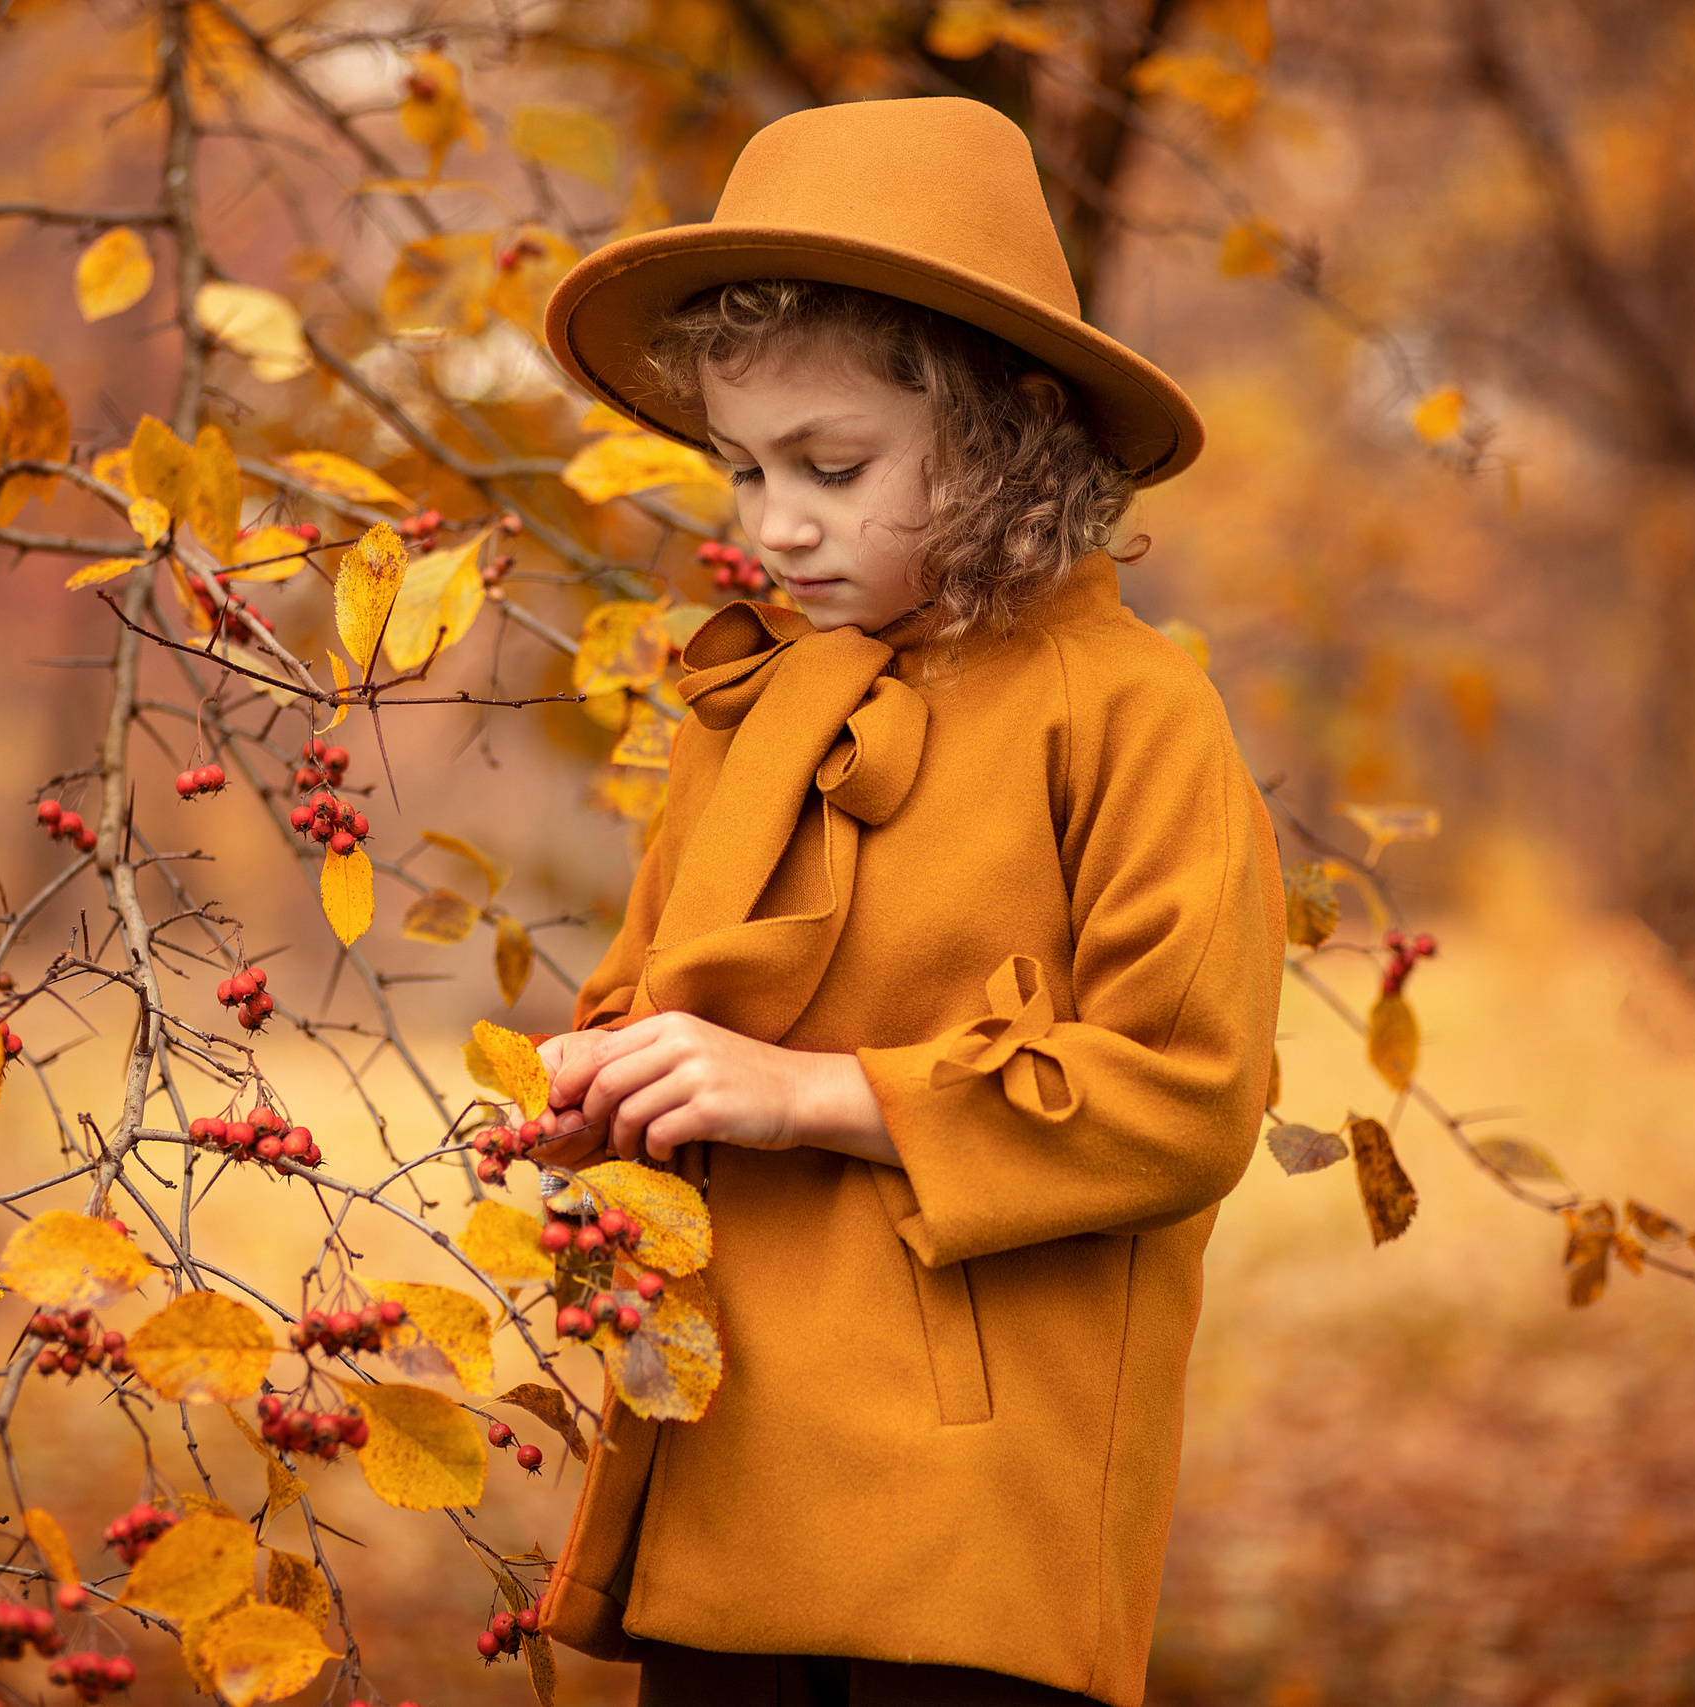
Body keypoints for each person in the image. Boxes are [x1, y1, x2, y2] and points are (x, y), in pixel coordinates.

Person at [521, 98, 1285, 1707]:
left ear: (1008, 435)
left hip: (978, 1523)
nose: (775, 522)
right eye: (741, 467)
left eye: (834, 465)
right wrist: (602, 1089)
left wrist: (819, 1094)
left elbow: (1191, 1097)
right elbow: (659, 998)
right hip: (726, 1457)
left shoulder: (1133, 709)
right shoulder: (757, 707)